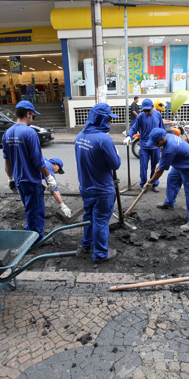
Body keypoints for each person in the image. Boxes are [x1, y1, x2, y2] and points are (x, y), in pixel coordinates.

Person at [75, 103, 121, 263]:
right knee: (101, 220)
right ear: (102, 119)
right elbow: (115, 164)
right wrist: (116, 153)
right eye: (109, 120)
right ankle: (100, 254)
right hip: (102, 190)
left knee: (88, 217)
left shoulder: (79, 136)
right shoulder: (104, 139)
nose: (110, 123)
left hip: (86, 188)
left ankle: (87, 245)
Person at [3, 101, 57, 240]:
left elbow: (7, 160)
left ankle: (30, 234)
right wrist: (49, 176)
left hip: (19, 179)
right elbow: (37, 161)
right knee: (36, 211)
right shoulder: (29, 133)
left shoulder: (7, 133)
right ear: (28, 114)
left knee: (29, 208)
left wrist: (10, 179)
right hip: (31, 179)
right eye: (33, 116)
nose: (33, 119)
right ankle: (35, 239)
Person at [145, 128, 189, 232]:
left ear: (162, 139)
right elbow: (165, 158)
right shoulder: (168, 137)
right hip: (180, 162)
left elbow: (159, 172)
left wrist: (150, 182)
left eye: (156, 143)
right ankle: (170, 202)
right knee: (172, 179)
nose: (154, 145)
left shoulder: (170, 147)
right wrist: (161, 162)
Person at [123, 98, 166, 192]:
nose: (146, 112)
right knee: (143, 166)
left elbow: (162, 129)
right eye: (144, 110)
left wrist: (164, 142)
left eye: (148, 110)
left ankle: (154, 183)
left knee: (155, 166)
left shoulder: (158, 115)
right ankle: (143, 184)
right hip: (144, 145)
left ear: (152, 107)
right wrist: (129, 136)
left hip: (155, 146)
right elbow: (134, 128)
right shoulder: (141, 117)